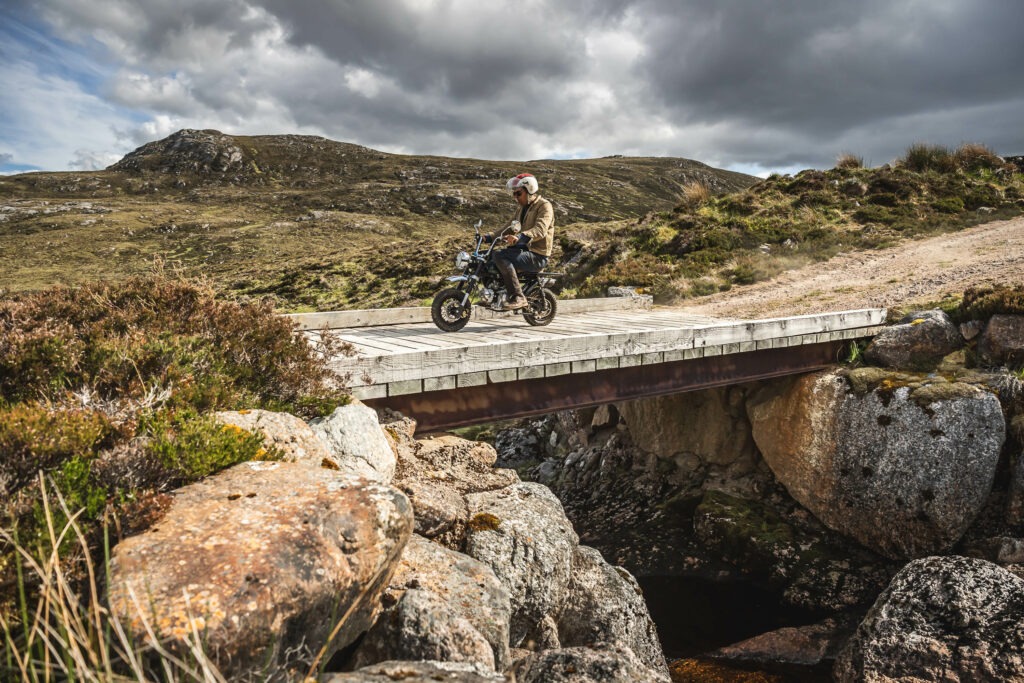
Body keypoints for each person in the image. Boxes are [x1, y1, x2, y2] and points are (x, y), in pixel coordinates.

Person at [492, 173, 555, 310]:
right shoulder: (521, 209)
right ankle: (493, 295)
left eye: (518, 193)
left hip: (537, 255)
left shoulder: (544, 206)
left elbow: (540, 229)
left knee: (501, 256)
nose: (515, 197)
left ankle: (518, 297)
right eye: (514, 194)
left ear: (530, 189)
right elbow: (509, 227)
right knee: (489, 256)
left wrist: (520, 237)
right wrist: (489, 237)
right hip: (522, 251)